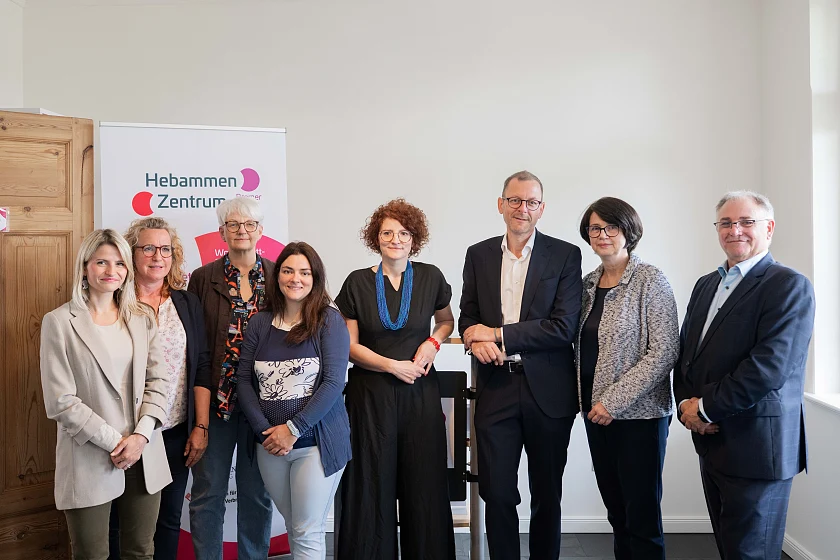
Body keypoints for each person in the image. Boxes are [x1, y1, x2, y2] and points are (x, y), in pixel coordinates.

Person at [674, 191, 815, 560]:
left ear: (769, 228)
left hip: (757, 446)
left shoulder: (788, 285)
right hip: (711, 440)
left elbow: (768, 368)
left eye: (746, 222)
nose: (734, 230)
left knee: (752, 553)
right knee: (729, 548)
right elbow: (686, 354)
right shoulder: (707, 284)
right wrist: (686, 405)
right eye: (726, 223)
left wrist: (704, 408)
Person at [459, 170, 582, 559]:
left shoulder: (565, 255)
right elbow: (468, 317)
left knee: (546, 493)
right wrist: (475, 339)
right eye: (514, 200)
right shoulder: (478, 254)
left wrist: (496, 334)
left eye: (531, 202)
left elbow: (562, 328)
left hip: (549, 391)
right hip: (495, 387)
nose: (522, 208)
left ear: (541, 209)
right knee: (496, 492)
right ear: (501, 204)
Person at [335, 199, 456, 560]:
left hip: (419, 394)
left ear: (414, 238)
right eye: (387, 233)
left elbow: (446, 321)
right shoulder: (357, 282)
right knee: (371, 485)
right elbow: (350, 347)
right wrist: (392, 366)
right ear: (376, 237)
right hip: (369, 398)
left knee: (425, 485)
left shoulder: (431, 277)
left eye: (403, 233)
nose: (395, 240)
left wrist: (433, 344)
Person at [39, 229, 171, 560]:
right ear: (85, 267)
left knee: (140, 552)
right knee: (91, 554)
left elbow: (159, 381)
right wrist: (116, 441)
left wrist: (140, 437)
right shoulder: (59, 322)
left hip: (143, 451)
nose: (112, 271)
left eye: (120, 263)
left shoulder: (142, 318)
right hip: (89, 454)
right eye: (101, 262)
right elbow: (61, 401)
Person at [575, 197, 679, 559]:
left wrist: (612, 402)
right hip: (596, 416)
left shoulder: (650, 279)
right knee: (617, 515)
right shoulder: (588, 285)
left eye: (611, 227)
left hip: (640, 418)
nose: (602, 234)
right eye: (595, 228)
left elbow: (665, 351)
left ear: (628, 231)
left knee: (642, 520)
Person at [236, 242, 351, 560]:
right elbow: (243, 380)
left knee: (306, 530)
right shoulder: (260, 323)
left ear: (316, 278)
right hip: (269, 445)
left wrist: (293, 429)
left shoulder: (329, 321)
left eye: (304, 272)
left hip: (316, 445)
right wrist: (264, 431)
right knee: (295, 526)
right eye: (287, 271)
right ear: (277, 276)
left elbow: (333, 383)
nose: (295, 278)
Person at [107, 217, 213, 560]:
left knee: (167, 520)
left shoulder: (186, 303)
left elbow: (201, 366)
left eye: (165, 249)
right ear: (131, 253)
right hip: (125, 433)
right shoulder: (113, 302)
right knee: (119, 523)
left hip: (174, 431)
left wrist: (200, 426)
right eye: (149, 248)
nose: (158, 256)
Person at [187, 198, 274, 560]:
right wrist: (199, 418)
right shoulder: (202, 278)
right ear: (222, 232)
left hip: (263, 407)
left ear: (260, 231)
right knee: (208, 493)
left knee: (257, 494)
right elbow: (194, 344)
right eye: (233, 224)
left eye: (249, 224)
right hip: (215, 404)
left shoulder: (279, 276)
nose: (242, 231)